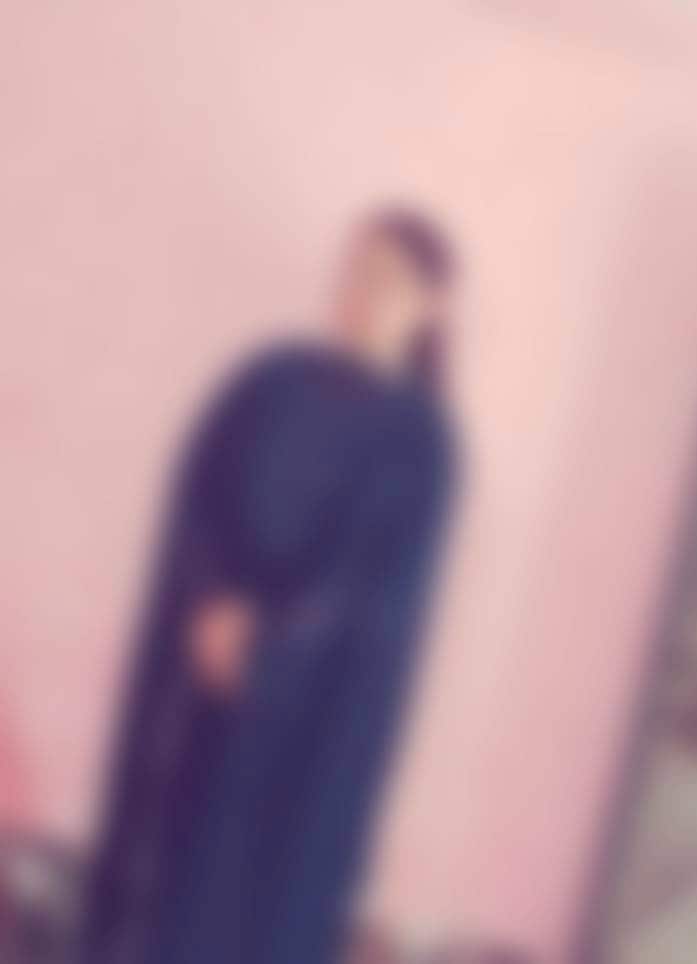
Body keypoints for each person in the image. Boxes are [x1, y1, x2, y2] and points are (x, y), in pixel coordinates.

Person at [81, 207, 458, 964]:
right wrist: (210, 608)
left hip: (299, 739)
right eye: (355, 271)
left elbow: (375, 594)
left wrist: (270, 639)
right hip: (199, 698)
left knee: (248, 911)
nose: (362, 294)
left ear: (431, 306)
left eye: (387, 280)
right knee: (159, 885)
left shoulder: (422, 445)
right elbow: (199, 500)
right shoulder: (268, 383)